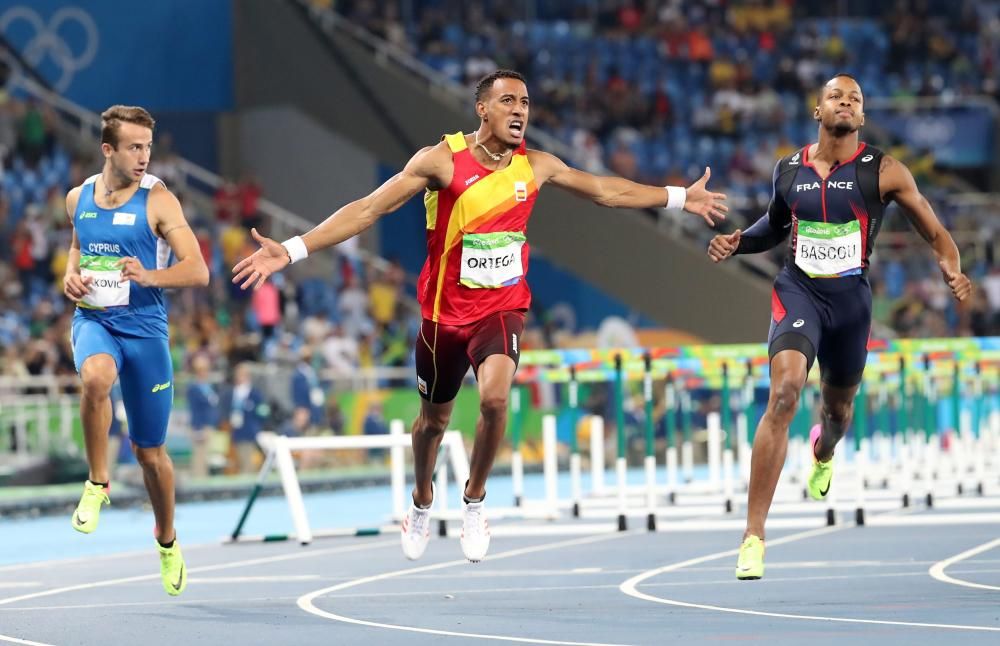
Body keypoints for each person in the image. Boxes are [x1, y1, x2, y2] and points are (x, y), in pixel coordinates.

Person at [233, 69, 727, 562]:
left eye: (526, 103)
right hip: (443, 318)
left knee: (495, 400)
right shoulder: (441, 161)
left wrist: (681, 197)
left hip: (502, 309)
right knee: (432, 424)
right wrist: (293, 249)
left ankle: (474, 499)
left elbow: (606, 191)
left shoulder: (536, 165)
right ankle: (422, 501)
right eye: (509, 101)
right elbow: (368, 209)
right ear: (482, 109)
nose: (520, 111)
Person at [706, 74, 972, 580]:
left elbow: (934, 231)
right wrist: (738, 241)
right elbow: (775, 226)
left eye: (854, 98)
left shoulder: (884, 170)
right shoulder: (789, 169)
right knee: (784, 392)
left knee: (837, 412)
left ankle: (823, 453)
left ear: (862, 116)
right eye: (835, 95)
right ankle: (753, 537)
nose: (845, 102)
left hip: (851, 303)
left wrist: (952, 266)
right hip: (798, 291)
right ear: (818, 110)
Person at [63, 105, 209, 596]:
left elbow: (197, 270)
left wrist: (151, 275)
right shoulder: (77, 198)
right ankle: (97, 482)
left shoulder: (159, 201)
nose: (145, 156)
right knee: (96, 379)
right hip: (96, 322)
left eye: (148, 146)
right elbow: (77, 245)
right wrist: (69, 274)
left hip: (146, 333)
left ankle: (167, 541)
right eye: (134, 147)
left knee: (151, 456)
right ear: (109, 149)